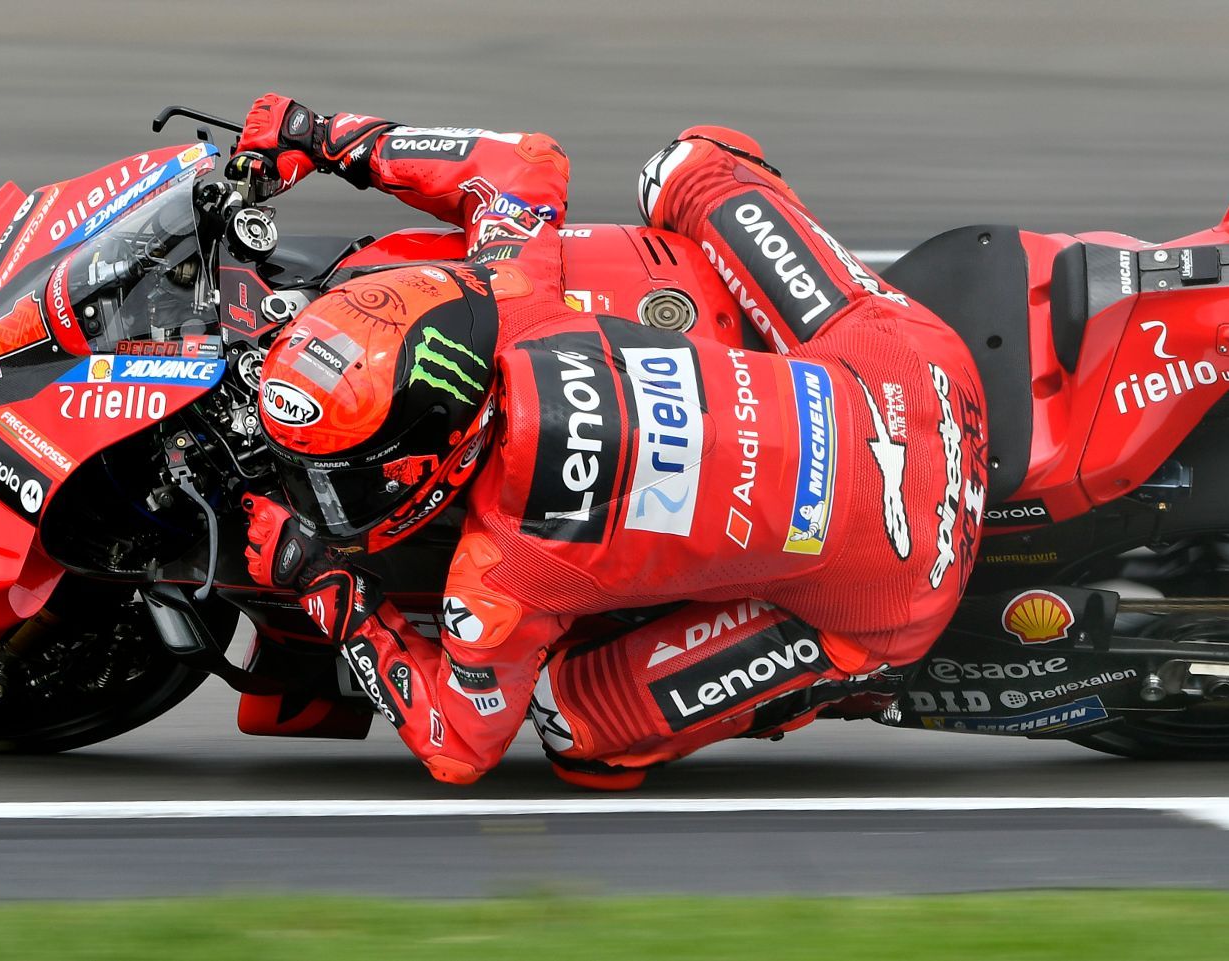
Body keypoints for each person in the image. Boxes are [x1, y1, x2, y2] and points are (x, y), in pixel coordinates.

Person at [233, 93, 989, 788]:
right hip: (916, 374)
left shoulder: (503, 572)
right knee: (686, 165)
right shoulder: (515, 291)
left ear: (445, 454)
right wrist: (325, 137)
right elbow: (523, 161)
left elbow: (460, 744)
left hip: (901, 581)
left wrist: (326, 587)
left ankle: (855, 669)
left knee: (572, 724)